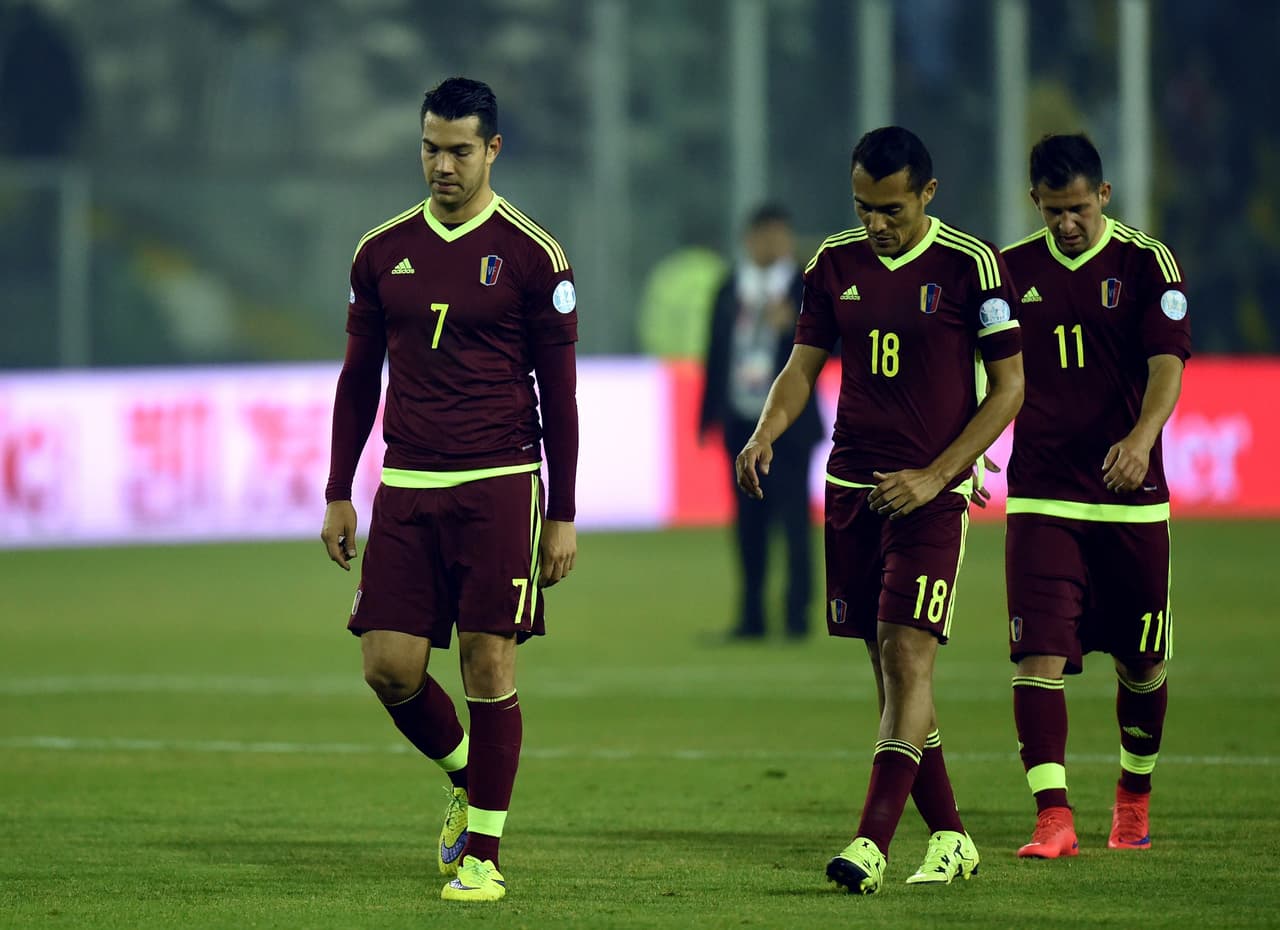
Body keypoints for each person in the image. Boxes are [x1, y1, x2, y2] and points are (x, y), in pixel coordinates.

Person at [736, 127, 1024, 894]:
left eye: (891, 208)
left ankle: (870, 844)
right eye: (863, 206)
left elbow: (1008, 389)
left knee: (906, 658)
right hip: (853, 491)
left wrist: (938, 477)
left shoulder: (971, 266)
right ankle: (955, 837)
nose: (876, 223)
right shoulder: (833, 264)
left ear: (927, 194)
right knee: (889, 672)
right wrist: (766, 432)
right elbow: (802, 367)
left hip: (931, 495)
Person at [320, 77, 579, 903]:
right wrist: (337, 490)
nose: (442, 164)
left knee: (487, 659)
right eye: (431, 147)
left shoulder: (535, 256)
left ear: (492, 149)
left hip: (501, 481)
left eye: (460, 150)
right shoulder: (379, 252)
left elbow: (560, 396)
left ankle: (484, 859)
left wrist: (563, 512)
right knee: (388, 668)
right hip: (406, 483)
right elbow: (358, 380)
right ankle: (467, 777)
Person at [1000, 133, 1190, 858]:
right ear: (1036, 204)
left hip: (1130, 500)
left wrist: (1142, 439)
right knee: (1036, 657)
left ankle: (1132, 798)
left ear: (1103, 196)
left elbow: (1167, 361)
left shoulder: (1147, 263)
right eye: (1053, 211)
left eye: (1078, 208)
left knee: (1141, 663)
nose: (1067, 223)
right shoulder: (1011, 272)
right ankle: (1053, 817)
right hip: (1044, 494)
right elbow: (985, 372)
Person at [699, 204, 822, 640]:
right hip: (739, 420)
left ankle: (797, 617)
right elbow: (714, 354)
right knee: (748, 525)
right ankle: (751, 617)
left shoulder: (807, 289)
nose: (770, 244)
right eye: (762, 235)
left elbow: (837, 347)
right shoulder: (730, 286)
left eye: (777, 235)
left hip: (791, 425)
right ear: (748, 239)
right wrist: (707, 415)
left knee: (793, 524)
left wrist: (794, 327)